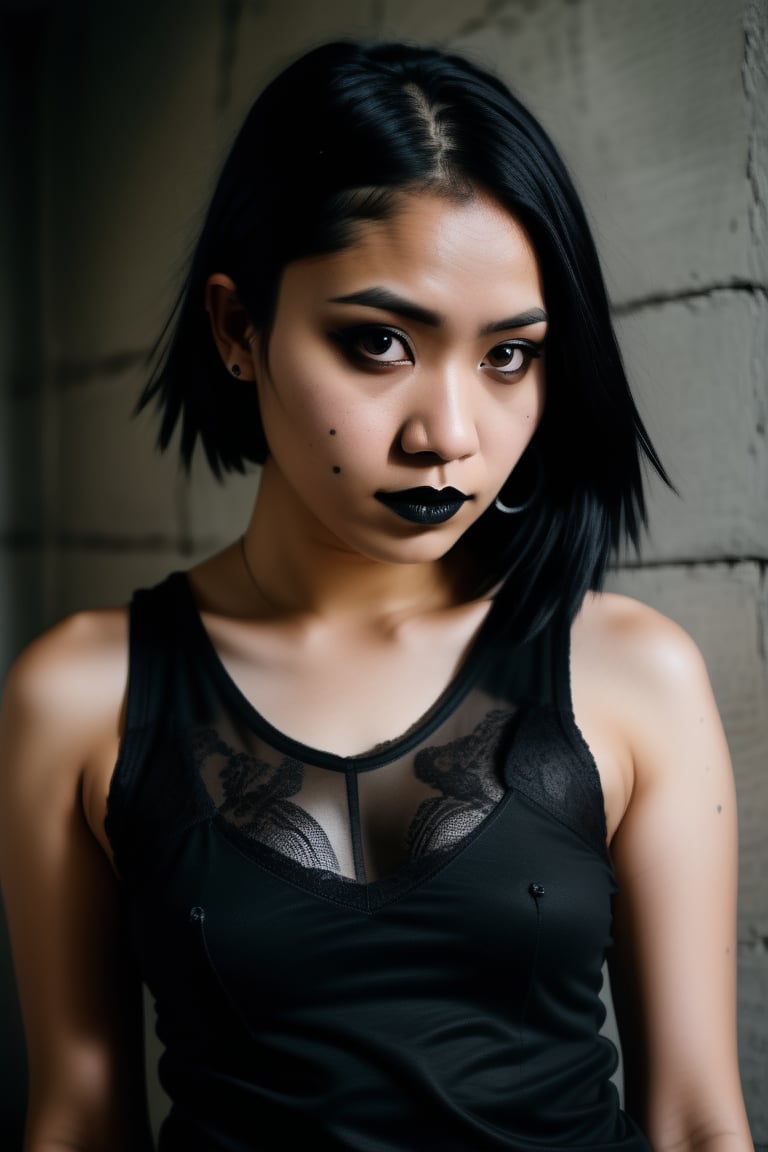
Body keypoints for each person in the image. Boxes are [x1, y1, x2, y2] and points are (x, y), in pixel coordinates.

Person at [0, 38, 754, 1152]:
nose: (448, 435)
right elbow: (77, 1115)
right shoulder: (79, 695)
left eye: (508, 358)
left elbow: (697, 1122)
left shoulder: (632, 672)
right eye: (380, 343)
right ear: (236, 328)